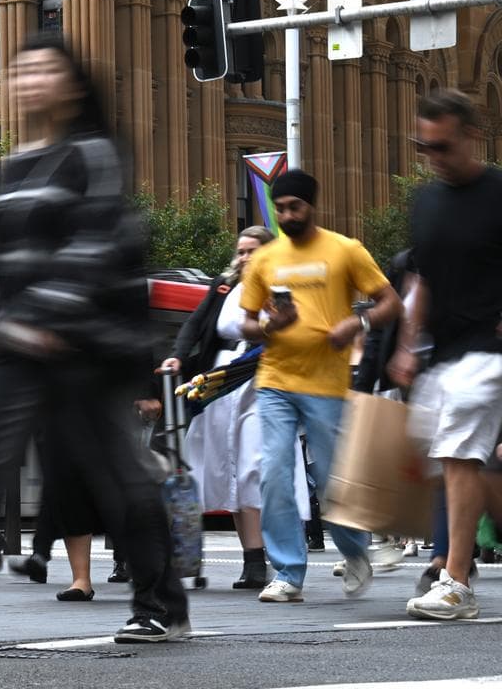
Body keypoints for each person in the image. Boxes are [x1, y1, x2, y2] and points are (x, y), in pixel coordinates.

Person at [0, 34, 188, 644]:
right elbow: (7, 262)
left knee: (115, 473)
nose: (30, 80)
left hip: (84, 345)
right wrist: (17, 323)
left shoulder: (93, 154)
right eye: (21, 71)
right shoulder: (9, 165)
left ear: (72, 84)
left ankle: (160, 603)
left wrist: (51, 318)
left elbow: (95, 247)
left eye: (44, 70)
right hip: (22, 342)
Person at [238, 168, 401, 604]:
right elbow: (247, 322)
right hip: (274, 380)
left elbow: (390, 301)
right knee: (273, 472)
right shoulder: (266, 259)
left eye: (295, 207)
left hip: (327, 384)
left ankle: (355, 551)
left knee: (332, 482)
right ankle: (288, 573)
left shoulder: (344, 250)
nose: (287, 215)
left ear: (312, 205)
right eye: (280, 208)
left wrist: (356, 322)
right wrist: (271, 323)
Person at [390, 90, 502, 620]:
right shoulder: (427, 202)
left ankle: (455, 580)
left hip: (492, 346)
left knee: (459, 448)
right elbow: (422, 278)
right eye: (424, 147)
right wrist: (409, 346)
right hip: (446, 352)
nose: (434, 157)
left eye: (443, 146)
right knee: (461, 461)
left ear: (471, 136)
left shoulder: (500, 192)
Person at [162, 225, 277, 590]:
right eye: (240, 251)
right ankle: (251, 560)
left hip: (260, 380)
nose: (244, 257)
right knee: (227, 468)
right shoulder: (223, 285)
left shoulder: (282, 289)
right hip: (220, 382)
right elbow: (195, 324)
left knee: (251, 468)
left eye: (252, 251)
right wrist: (178, 358)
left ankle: (261, 558)